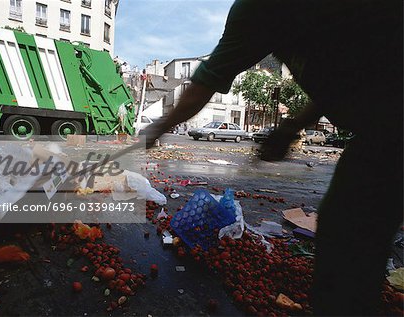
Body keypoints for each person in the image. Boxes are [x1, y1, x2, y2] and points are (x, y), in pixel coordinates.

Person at [142, 0, 402, 315]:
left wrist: (157, 128)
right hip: (382, 130)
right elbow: (345, 79)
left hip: (390, 126)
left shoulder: (257, 9)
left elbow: (204, 83)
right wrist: (291, 126)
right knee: (348, 241)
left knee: (346, 248)